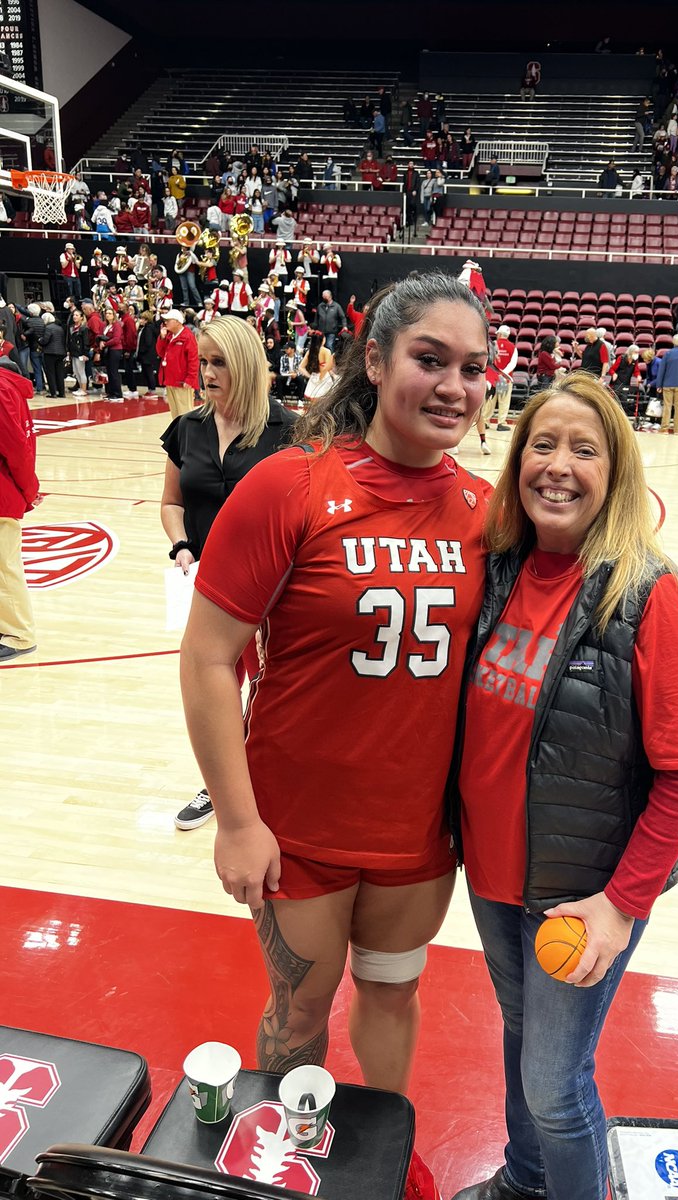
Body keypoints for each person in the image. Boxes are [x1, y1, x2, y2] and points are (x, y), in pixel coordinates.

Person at [178, 274, 492, 1200]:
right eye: (429, 360)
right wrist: (238, 823)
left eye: (473, 369)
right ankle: (285, 1152)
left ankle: (377, 1158)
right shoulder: (291, 483)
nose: (453, 387)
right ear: (375, 360)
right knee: (301, 1004)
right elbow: (207, 660)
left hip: (419, 838)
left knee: (395, 994)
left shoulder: (486, 512)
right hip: (298, 829)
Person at [449, 373, 678, 1200]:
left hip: (580, 894)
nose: (557, 465)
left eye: (584, 449)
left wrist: (621, 902)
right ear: (516, 458)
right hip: (494, 877)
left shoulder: (651, 595)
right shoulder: (495, 570)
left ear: (617, 473)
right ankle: (525, 1181)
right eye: (541, 443)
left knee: (557, 1088)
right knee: (523, 1039)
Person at [161, 316, 298, 830]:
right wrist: (178, 544)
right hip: (207, 588)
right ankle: (218, 786)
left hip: (272, 588)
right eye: (204, 361)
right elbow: (172, 502)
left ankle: (263, 782)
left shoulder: (290, 431)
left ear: (244, 365)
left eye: (220, 362)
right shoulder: (186, 428)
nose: (208, 372)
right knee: (213, 685)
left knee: (271, 688)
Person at [0, 360, 39, 663]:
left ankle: (20, 634)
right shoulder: (10, 386)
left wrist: (29, 491)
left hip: (3, 495)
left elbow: (16, 448)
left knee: (5, 567)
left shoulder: (2, 389)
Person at [157, 309, 199, 418]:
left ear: (177, 321)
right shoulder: (170, 336)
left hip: (182, 382)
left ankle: (188, 434)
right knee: (175, 414)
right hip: (170, 380)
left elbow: (193, 360)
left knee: (185, 412)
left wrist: (190, 379)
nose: (165, 323)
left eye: (168, 320)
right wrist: (162, 338)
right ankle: (178, 434)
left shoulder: (187, 337)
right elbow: (161, 353)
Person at [482, 324, 518, 431]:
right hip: (505, 379)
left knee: (489, 400)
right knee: (503, 401)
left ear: (500, 334)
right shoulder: (513, 347)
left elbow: (488, 360)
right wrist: (503, 373)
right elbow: (513, 363)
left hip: (492, 378)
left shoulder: (493, 344)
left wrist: (496, 373)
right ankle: (501, 423)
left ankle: (485, 421)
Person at [298, 330, 335, 401]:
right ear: (323, 339)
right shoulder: (326, 351)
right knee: (323, 405)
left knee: (313, 406)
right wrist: (321, 378)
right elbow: (327, 367)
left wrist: (309, 376)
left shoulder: (310, 351)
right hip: (324, 378)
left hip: (314, 377)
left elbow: (301, 367)